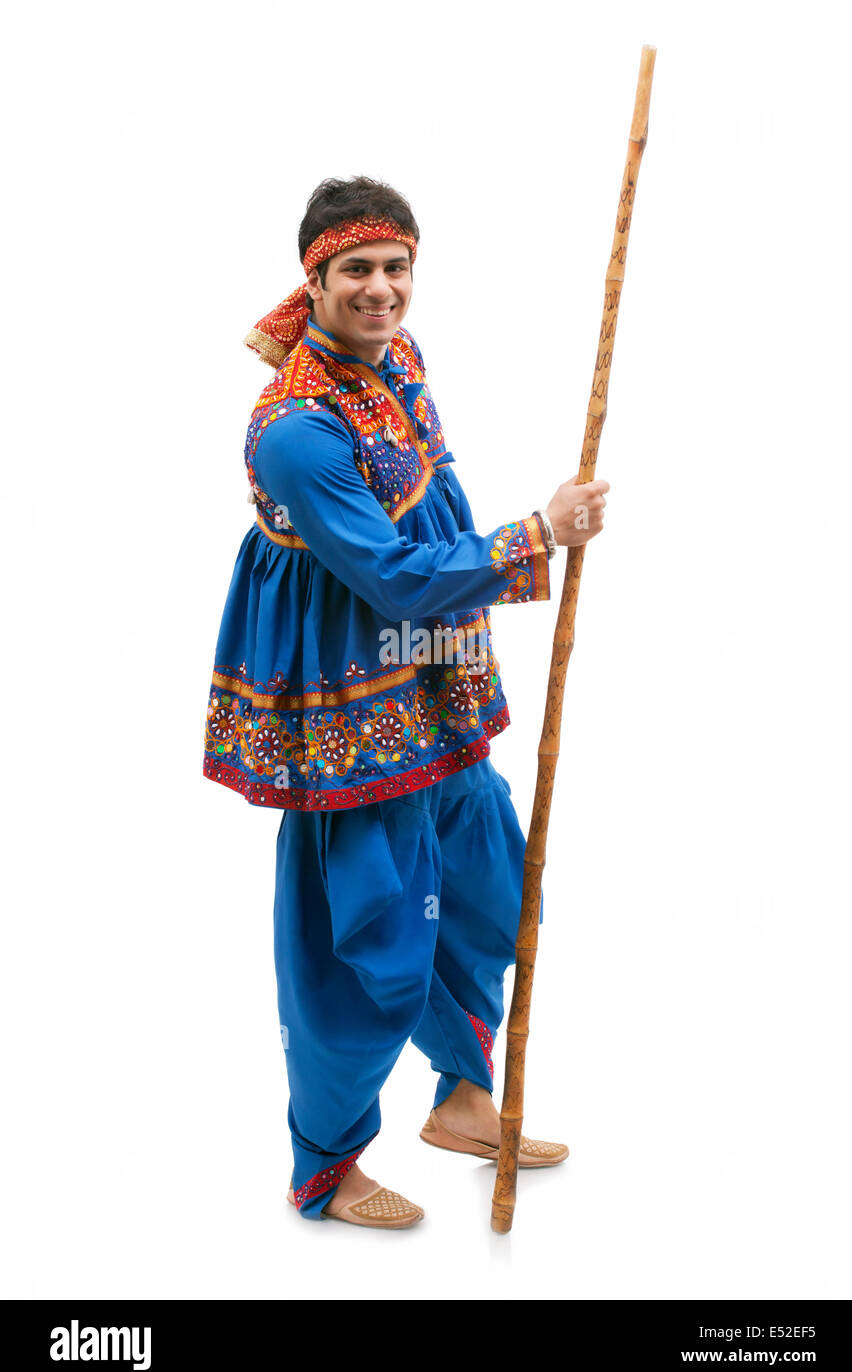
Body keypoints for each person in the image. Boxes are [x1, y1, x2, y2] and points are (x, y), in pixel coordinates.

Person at [203, 176, 609, 1228]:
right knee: (368, 940)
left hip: (433, 675)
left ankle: (464, 1097)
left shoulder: (396, 361)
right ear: (316, 278)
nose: (380, 290)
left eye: (395, 269)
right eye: (356, 271)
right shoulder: (296, 431)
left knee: (483, 887)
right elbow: (385, 572)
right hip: (349, 700)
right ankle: (325, 1168)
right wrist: (537, 535)